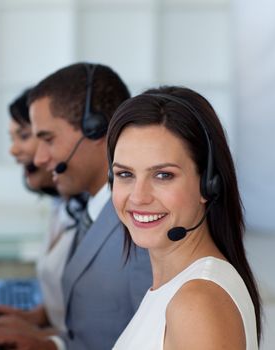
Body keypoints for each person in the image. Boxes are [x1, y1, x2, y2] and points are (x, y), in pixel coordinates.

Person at [0, 62, 153, 350]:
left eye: (47, 139)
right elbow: (95, 332)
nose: (40, 158)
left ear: (95, 130)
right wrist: (52, 343)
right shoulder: (94, 212)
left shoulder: (140, 230)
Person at [107, 86, 262, 349]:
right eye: (125, 174)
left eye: (163, 175)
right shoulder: (178, 290)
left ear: (208, 185)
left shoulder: (197, 303)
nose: (138, 196)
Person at [0, 89, 82, 337]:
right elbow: (68, 302)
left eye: (23, 136)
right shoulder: (62, 206)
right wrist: (32, 318)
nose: (13, 150)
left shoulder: (92, 214)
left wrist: (41, 340)